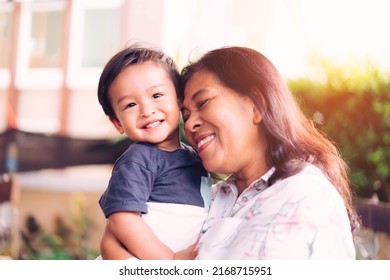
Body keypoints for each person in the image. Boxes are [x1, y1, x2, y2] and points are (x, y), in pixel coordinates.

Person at [179, 46, 360, 259]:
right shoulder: (213, 195)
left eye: (202, 103)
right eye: (186, 115)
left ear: (257, 106)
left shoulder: (302, 195)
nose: (189, 124)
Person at [97, 45, 211, 260]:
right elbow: (122, 219)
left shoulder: (195, 156)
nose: (147, 110)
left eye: (156, 95)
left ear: (179, 99)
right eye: (130, 104)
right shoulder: (139, 159)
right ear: (117, 122)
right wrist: (169, 261)